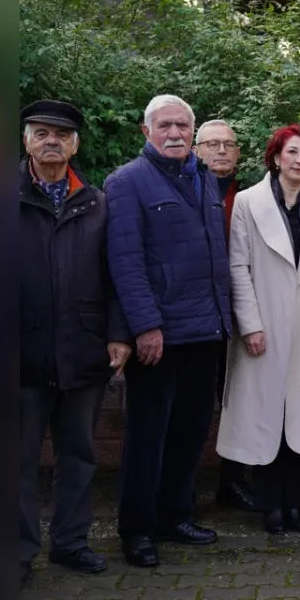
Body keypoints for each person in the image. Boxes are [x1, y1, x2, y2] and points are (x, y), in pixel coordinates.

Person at [105, 95, 232, 568]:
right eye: (165, 126)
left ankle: (175, 515)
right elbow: (124, 261)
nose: (175, 133)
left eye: (183, 125)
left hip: (206, 329)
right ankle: (137, 529)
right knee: (148, 435)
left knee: (190, 431)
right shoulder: (126, 182)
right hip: (159, 336)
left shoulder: (203, 178)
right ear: (146, 131)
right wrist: (146, 326)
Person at [19, 100, 133, 585]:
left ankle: (69, 544)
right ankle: (17, 552)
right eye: (42, 132)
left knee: (79, 455)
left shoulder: (97, 202)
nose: (52, 141)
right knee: (16, 461)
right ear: (25, 139)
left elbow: (116, 275)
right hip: (16, 352)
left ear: (75, 144)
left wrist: (119, 334)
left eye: (62, 135)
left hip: (84, 348)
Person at [216, 125, 300, 535]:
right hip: (264, 326)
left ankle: (295, 504)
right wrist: (250, 324)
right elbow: (237, 266)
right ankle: (270, 505)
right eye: (292, 152)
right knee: (266, 413)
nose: (299, 161)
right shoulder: (248, 202)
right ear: (275, 157)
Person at [193, 119, 257, 514]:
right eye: (211, 144)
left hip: (242, 316)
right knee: (196, 407)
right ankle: (182, 490)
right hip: (197, 317)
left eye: (228, 144)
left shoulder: (250, 196)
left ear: (238, 153)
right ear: (197, 150)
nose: (220, 150)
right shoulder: (185, 190)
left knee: (238, 404)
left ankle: (233, 483)